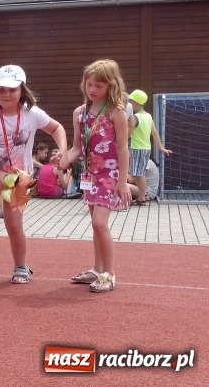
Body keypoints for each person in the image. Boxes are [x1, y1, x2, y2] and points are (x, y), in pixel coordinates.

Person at [0, 65, 68, 284]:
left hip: (20, 176)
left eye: (11, 89)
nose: (5, 94)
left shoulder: (32, 113)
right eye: (0, 89)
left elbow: (57, 128)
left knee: (13, 224)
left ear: (22, 90)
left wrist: (62, 150)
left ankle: (21, 265)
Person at [67, 59, 132, 293]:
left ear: (111, 86)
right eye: (89, 84)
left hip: (109, 175)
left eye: (99, 86)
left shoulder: (117, 113)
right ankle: (97, 269)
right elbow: (76, 147)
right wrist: (64, 159)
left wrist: (123, 182)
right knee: (95, 226)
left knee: (99, 223)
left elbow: (124, 148)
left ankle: (109, 274)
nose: (92, 90)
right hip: (90, 175)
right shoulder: (80, 113)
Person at [127, 89, 171, 205]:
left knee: (137, 174)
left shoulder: (135, 117)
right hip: (146, 148)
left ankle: (142, 197)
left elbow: (128, 132)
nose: (129, 104)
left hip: (137, 147)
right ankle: (142, 195)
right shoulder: (148, 116)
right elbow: (155, 133)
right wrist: (161, 147)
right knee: (138, 173)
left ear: (136, 103)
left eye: (130, 101)